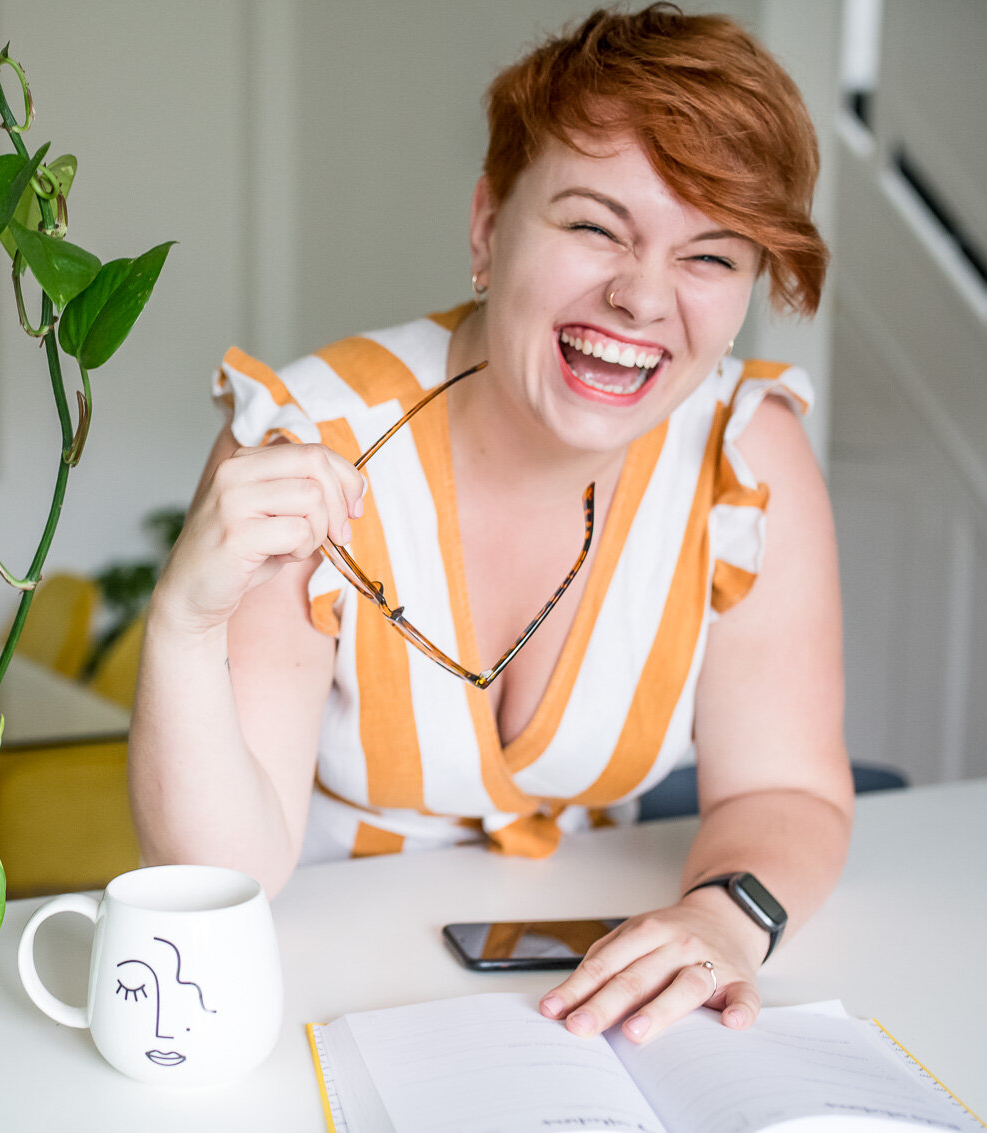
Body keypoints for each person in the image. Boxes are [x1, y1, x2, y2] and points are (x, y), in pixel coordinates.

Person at [128, 4, 852, 1047]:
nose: (641, 295)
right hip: (311, 988)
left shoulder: (745, 451)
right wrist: (182, 623)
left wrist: (720, 918)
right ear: (486, 225)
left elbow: (784, 786)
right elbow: (222, 870)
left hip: (578, 998)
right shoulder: (310, 436)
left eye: (709, 255)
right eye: (593, 225)